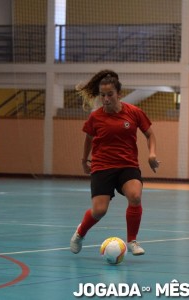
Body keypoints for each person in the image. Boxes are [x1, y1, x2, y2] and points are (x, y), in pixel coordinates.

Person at [70, 70, 160, 256]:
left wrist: (152, 154)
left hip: (127, 166)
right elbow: (88, 139)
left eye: (110, 95)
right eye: (102, 95)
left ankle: (132, 241)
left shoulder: (134, 113)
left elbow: (150, 134)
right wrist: (84, 161)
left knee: (135, 196)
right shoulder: (96, 117)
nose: (106, 99)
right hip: (102, 167)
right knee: (99, 211)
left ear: (119, 94)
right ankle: (80, 233)